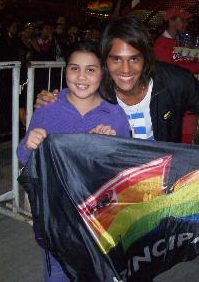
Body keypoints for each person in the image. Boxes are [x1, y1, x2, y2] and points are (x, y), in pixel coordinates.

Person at [36, 16, 199, 156]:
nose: (126, 70)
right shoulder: (99, 89)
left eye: (134, 58)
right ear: (105, 62)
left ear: (146, 58)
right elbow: (69, 103)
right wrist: (49, 102)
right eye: (115, 59)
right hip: (114, 179)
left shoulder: (175, 82)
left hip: (161, 174)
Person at [17, 41, 130, 281]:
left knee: (99, 271)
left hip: (98, 219)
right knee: (58, 271)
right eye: (74, 68)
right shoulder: (48, 108)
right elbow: (24, 157)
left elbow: (123, 171)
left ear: (103, 73)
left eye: (91, 69)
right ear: (65, 70)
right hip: (56, 216)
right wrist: (30, 143)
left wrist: (108, 147)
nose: (81, 77)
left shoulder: (114, 115)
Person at [153, 7, 199, 144]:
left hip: (187, 95)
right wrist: (198, 67)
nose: (186, 23)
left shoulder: (185, 43)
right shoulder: (161, 44)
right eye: (183, 20)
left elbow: (194, 59)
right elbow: (169, 71)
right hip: (172, 97)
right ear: (171, 22)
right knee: (174, 135)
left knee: (188, 133)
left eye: (186, 21)